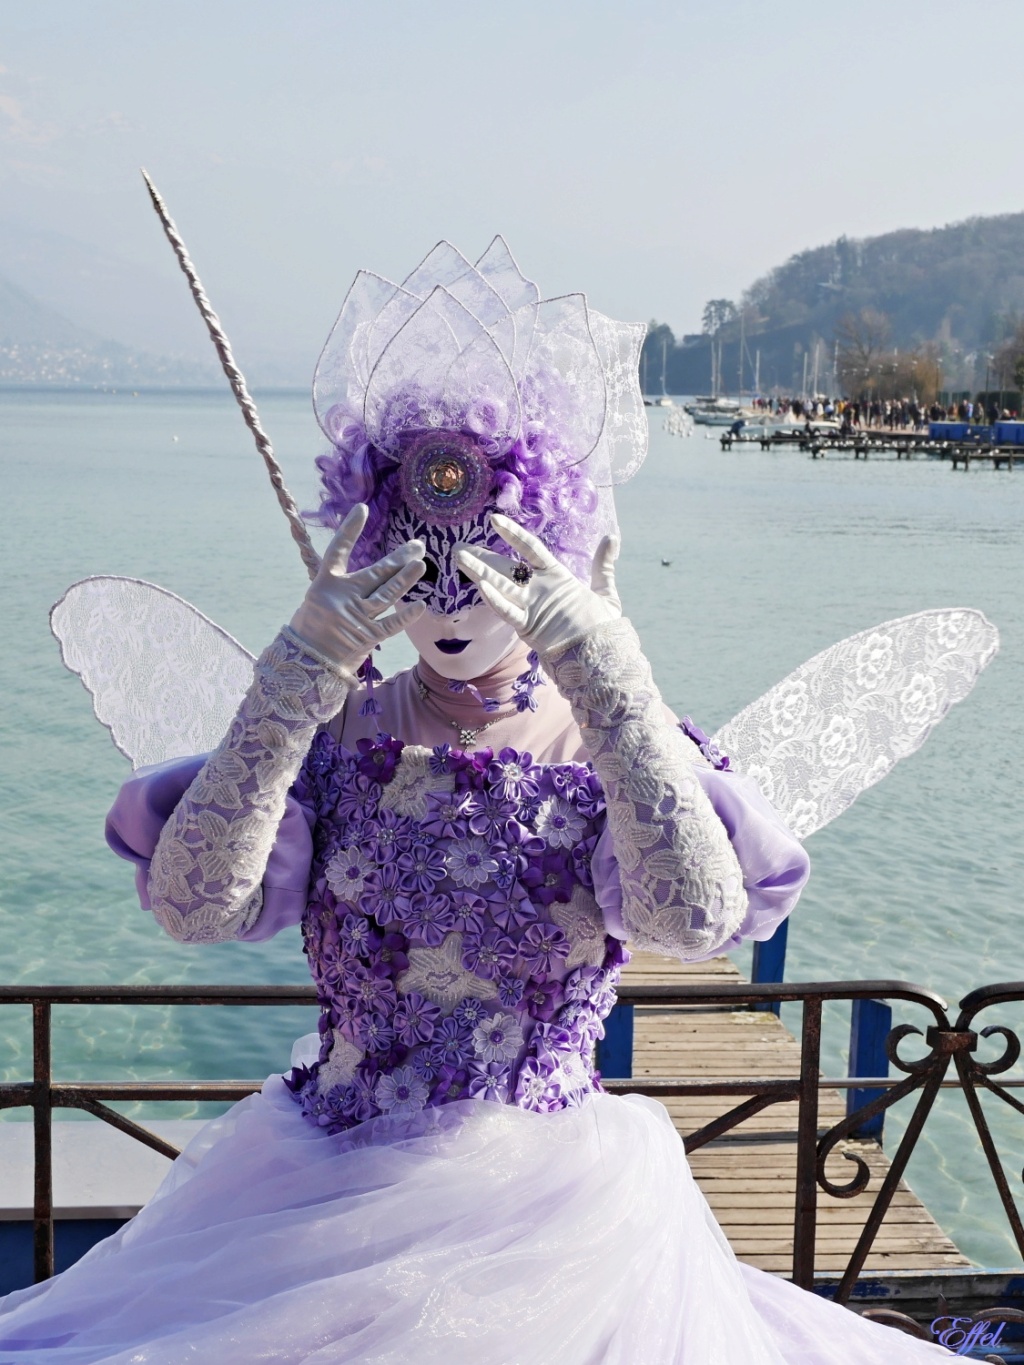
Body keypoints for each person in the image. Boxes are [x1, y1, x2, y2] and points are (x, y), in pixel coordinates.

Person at [0, 241, 953, 1362]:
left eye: (490, 563)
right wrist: (295, 674)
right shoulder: (328, 728)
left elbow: (689, 923)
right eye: (421, 566)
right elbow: (196, 906)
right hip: (322, 1194)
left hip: (556, 1213)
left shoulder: (614, 743)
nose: (452, 603)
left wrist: (610, 680)